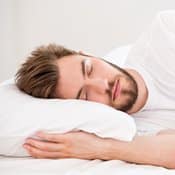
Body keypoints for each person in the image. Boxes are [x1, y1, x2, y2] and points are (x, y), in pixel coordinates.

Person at [16, 11, 175, 169]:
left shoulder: (165, 33)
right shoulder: (127, 130)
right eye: (85, 95)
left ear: (89, 55)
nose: (102, 85)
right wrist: (101, 147)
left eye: (89, 69)